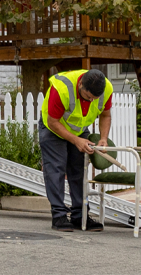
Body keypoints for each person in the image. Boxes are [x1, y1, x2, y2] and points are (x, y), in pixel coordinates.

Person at [39, 68, 113, 232]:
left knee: (79, 170)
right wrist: (76, 140)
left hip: (79, 130)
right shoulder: (62, 88)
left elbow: (105, 115)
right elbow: (52, 121)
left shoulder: (106, 89)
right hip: (53, 129)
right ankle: (58, 216)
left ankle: (80, 217)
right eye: (88, 97)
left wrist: (103, 138)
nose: (91, 101)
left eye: (95, 98)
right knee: (55, 169)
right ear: (80, 84)